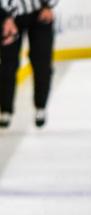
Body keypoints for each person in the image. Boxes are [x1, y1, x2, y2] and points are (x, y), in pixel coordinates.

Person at [0, 0, 56, 129]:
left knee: (42, 62)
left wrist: (48, 6)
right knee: (7, 64)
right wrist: (4, 17)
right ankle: (5, 109)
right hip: (9, 15)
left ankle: (40, 106)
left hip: (40, 11)